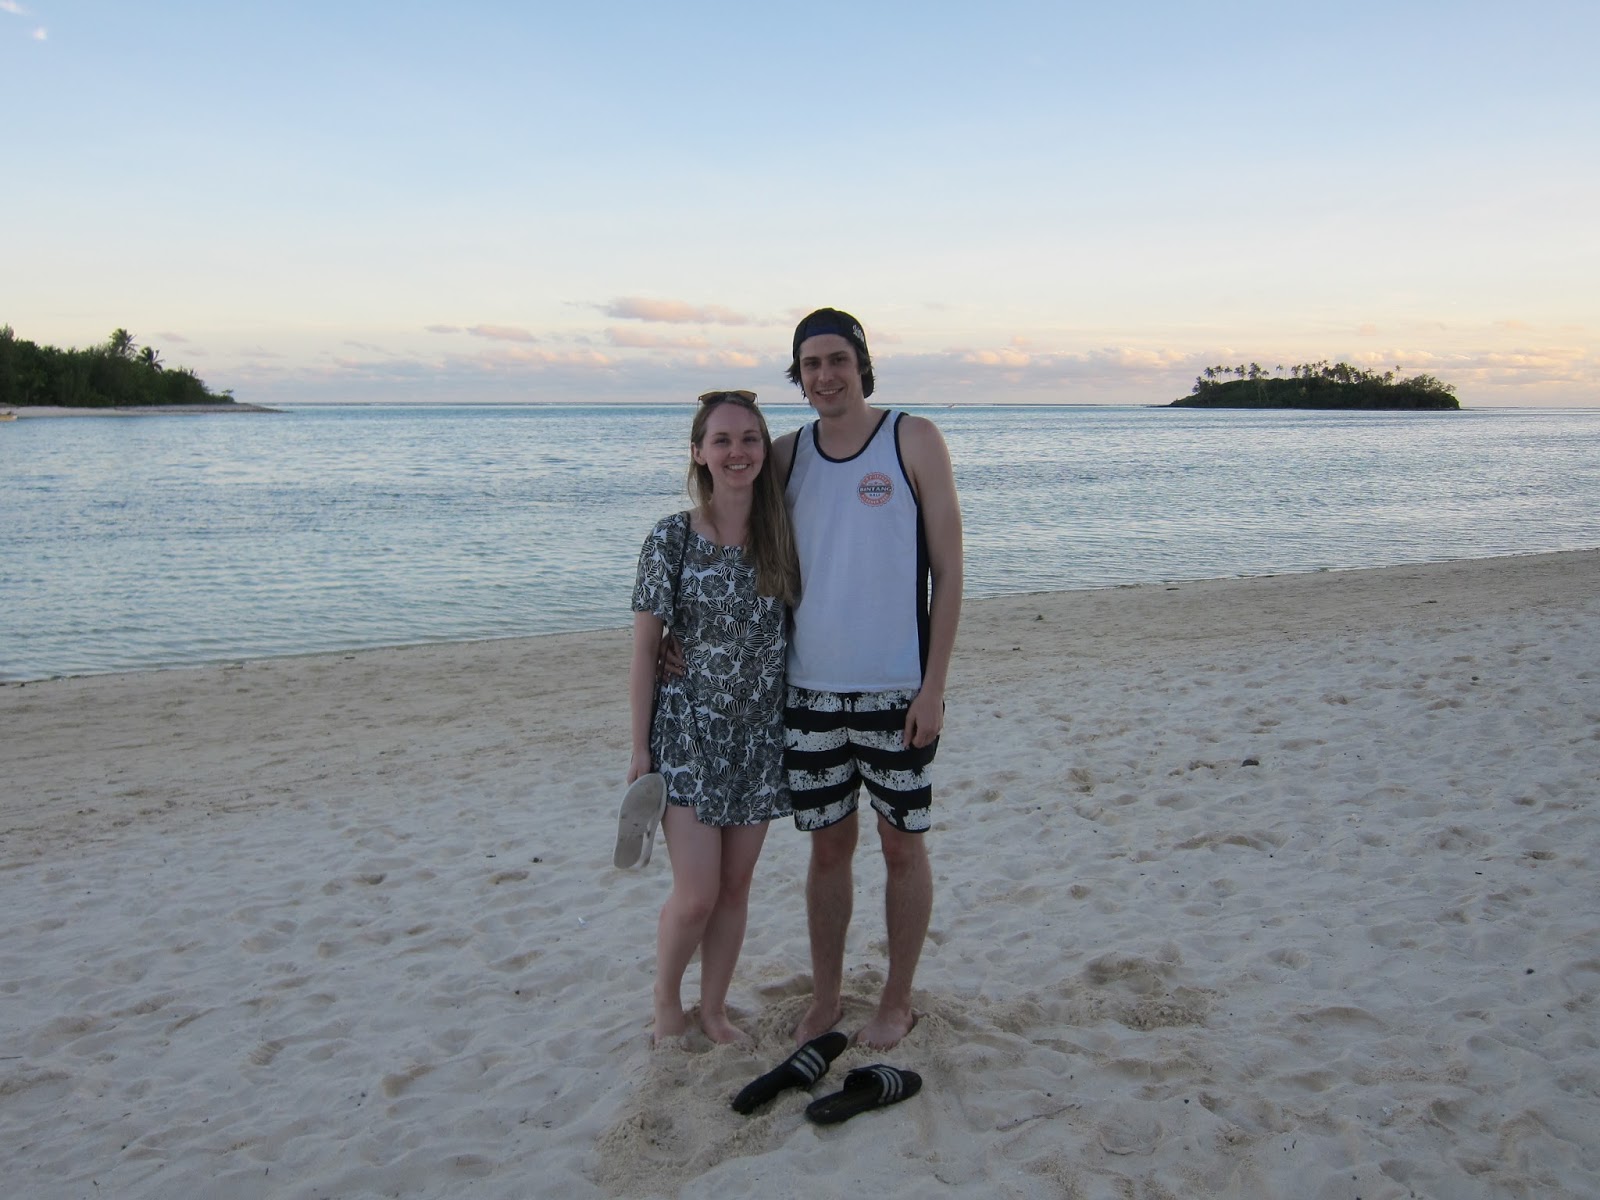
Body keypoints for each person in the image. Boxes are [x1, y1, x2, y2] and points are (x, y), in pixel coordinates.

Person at [774, 308, 964, 1051]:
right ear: (799, 377)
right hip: (809, 692)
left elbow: (949, 572)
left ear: (861, 365)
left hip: (897, 691)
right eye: (811, 364)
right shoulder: (787, 455)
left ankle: (896, 1000)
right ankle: (826, 997)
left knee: (901, 847)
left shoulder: (912, 438)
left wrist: (933, 686)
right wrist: (674, 641)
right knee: (827, 850)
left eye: (837, 360)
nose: (825, 375)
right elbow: (733, 549)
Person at [627, 390, 801, 1045]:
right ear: (698, 452)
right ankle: (666, 1002)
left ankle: (715, 1009)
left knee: (734, 890)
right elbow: (645, 652)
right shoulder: (670, 537)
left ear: (765, 450)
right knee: (697, 893)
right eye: (721, 440)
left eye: (749, 438)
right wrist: (639, 748)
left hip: (760, 737)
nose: (737, 452)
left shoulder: (784, 537)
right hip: (687, 736)